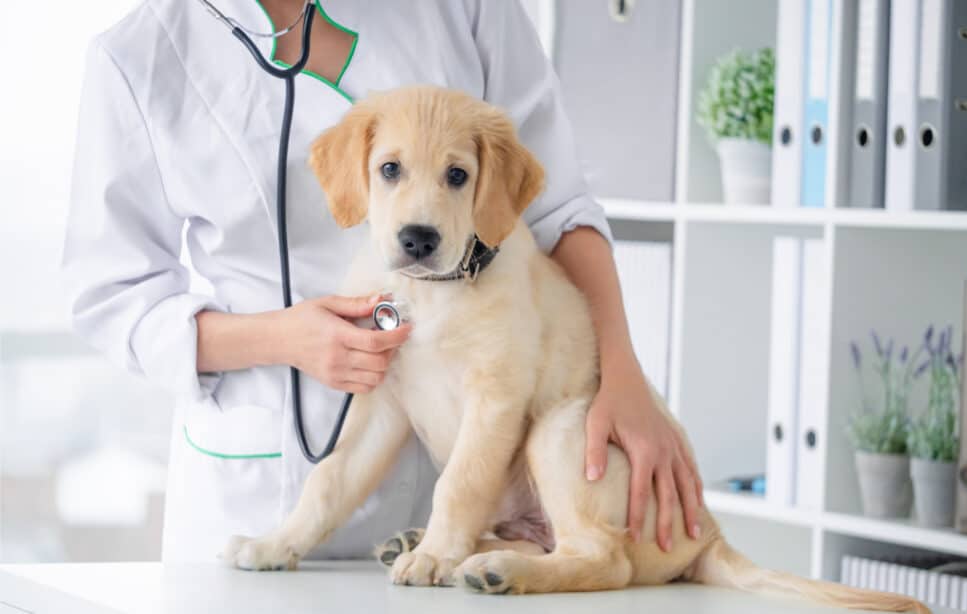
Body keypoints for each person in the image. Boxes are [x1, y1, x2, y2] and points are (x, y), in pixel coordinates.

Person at [62, 0, 703, 562]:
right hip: (260, 482)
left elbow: (555, 207)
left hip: (466, 487)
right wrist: (282, 338)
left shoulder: (466, 6)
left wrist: (622, 375)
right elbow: (115, 295)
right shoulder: (139, 54)